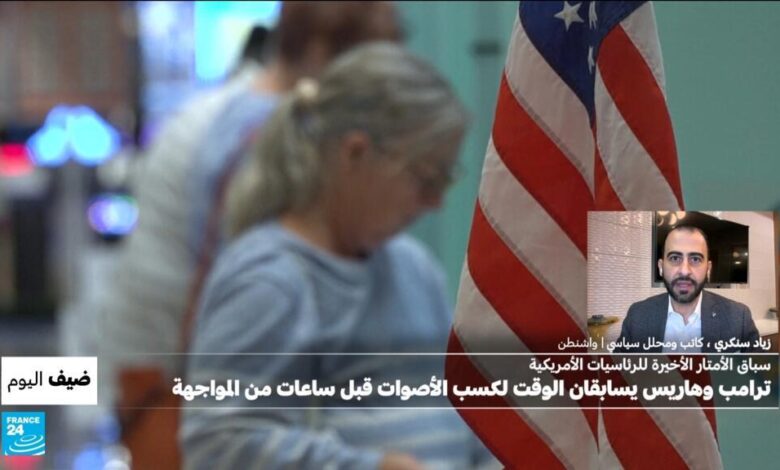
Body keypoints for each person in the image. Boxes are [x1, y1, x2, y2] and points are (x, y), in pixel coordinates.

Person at [98, 3, 403, 468]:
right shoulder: (263, 132)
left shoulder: (228, 108)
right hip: (176, 388)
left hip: (156, 376)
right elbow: (254, 297)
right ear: (320, 52)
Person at [181, 43, 496, 470]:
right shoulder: (268, 279)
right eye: (426, 178)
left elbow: (464, 404)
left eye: (446, 180)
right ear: (355, 154)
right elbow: (216, 443)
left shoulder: (413, 267)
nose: (436, 202)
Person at [616, 224, 760, 353]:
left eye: (695, 259)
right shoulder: (637, 315)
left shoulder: (739, 317)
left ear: (708, 269)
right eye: (675, 258)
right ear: (661, 267)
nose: (685, 271)